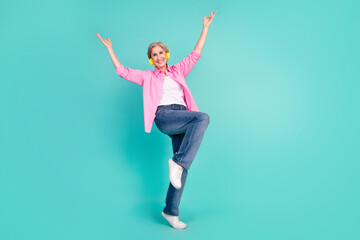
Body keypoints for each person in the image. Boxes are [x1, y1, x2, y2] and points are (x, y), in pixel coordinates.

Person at [96, 10, 217, 229]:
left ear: (167, 54)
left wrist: (205, 27)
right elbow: (122, 71)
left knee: (181, 171)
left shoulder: (179, 70)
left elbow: (195, 53)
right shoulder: (148, 77)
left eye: (161, 52)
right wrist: (110, 50)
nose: (159, 57)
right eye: (154, 54)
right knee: (203, 118)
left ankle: (170, 211)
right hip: (165, 116)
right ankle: (177, 163)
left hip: (183, 116)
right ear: (151, 59)